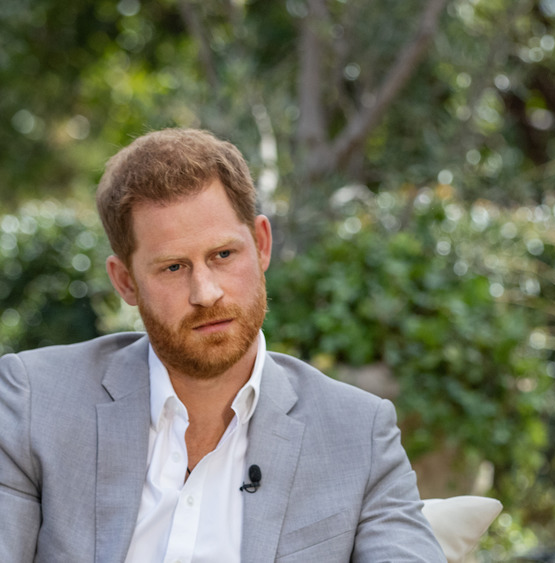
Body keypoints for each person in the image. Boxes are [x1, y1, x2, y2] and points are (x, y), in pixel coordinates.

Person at [0, 128, 446, 562]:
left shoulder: (358, 434)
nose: (206, 292)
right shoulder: (33, 403)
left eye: (223, 255)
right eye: (174, 267)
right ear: (125, 281)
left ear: (262, 244)